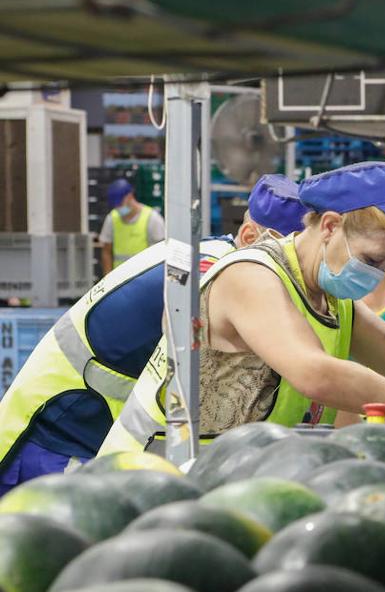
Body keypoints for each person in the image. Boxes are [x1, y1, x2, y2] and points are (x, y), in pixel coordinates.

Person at [98, 162, 385, 456]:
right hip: (159, 473)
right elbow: (316, 372)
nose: (379, 275)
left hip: (235, 474)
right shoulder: (251, 275)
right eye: (374, 259)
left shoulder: (334, 301)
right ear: (329, 226)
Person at [0, 175, 308, 493]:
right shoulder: (211, 269)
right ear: (249, 236)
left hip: (88, 430)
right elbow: (180, 328)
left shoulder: (214, 254)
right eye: (287, 262)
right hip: (61, 431)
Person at [99, 179, 166, 272]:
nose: (118, 208)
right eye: (115, 206)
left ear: (130, 196)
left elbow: (160, 254)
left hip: (143, 278)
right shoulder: (112, 218)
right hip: (119, 279)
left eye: (120, 204)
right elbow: (106, 252)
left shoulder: (152, 218)